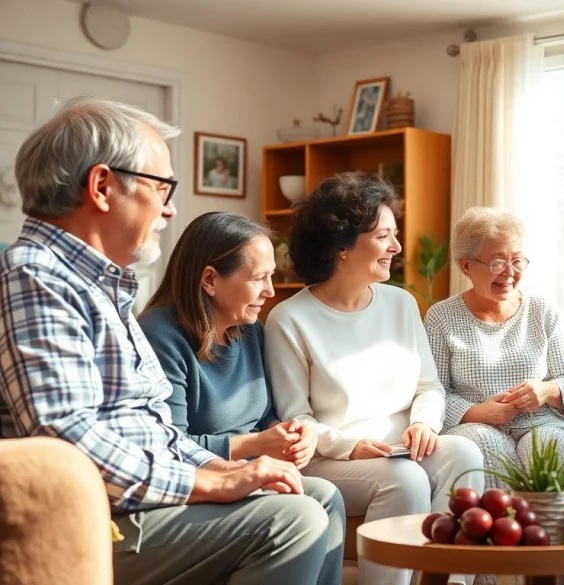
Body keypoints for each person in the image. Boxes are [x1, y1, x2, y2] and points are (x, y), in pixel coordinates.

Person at [0, 97, 337, 585]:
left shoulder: (102, 285)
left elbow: (159, 433)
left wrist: (228, 469)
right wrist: (208, 481)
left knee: (317, 494)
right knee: (295, 520)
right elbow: (65, 441)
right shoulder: (36, 278)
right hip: (100, 518)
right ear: (101, 186)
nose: (171, 207)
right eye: (163, 187)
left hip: (140, 500)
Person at [264, 172, 484, 585]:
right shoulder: (289, 320)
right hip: (331, 459)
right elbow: (295, 419)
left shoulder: (401, 303)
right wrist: (351, 447)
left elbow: (429, 387)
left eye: (394, 234)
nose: (396, 247)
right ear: (342, 246)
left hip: (401, 448)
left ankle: (448, 581)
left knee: (465, 454)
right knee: (404, 478)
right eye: (384, 236)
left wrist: (423, 423)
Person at [138, 211, 345, 579]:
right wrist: (255, 445)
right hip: (194, 488)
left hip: (245, 473)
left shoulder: (249, 329)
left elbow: (264, 415)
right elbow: (171, 445)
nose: (269, 291)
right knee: (305, 509)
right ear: (210, 280)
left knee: (327, 497)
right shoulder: (161, 336)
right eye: (258, 279)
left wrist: (290, 433)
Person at [425, 207, 564, 490]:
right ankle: (509, 529)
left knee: (544, 452)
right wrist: (476, 412)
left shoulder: (543, 311)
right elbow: (433, 390)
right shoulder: (441, 317)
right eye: (497, 263)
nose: (510, 273)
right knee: (486, 447)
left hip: (541, 423)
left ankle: (545, 530)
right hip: (476, 427)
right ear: (466, 266)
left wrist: (546, 391)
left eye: (517, 261)